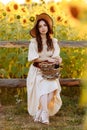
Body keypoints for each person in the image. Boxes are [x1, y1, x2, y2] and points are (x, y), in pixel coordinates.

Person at [27, 13, 62, 125]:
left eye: (45, 25)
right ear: (37, 29)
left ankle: (40, 111)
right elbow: (34, 59)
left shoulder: (53, 41)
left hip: (50, 71)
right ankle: (45, 113)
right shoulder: (34, 42)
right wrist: (47, 58)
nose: (43, 28)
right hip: (37, 71)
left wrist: (58, 59)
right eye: (40, 26)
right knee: (43, 86)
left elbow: (56, 56)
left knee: (52, 88)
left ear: (48, 27)